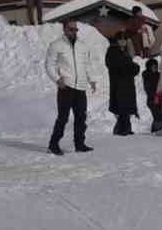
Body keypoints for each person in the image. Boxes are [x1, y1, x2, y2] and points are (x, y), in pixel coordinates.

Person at [45, 19, 98, 155]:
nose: (74, 32)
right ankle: (53, 144)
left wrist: (92, 80)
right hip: (66, 87)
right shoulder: (56, 45)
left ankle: (79, 144)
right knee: (63, 118)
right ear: (64, 29)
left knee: (81, 117)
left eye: (76, 29)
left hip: (80, 87)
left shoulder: (83, 46)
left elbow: (87, 65)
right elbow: (49, 65)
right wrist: (57, 80)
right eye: (71, 29)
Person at [105, 32, 141, 136]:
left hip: (128, 84)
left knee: (127, 106)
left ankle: (127, 128)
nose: (123, 41)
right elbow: (115, 65)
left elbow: (133, 68)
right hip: (118, 84)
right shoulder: (112, 51)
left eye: (124, 39)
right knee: (122, 106)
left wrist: (132, 67)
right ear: (117, 40)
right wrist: (129, 67)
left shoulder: (125, 52)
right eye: (120, 39)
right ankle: (121, 129)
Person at [143, 57, 162, 133]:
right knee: (159, 117)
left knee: (159, 117)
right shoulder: (147, 76)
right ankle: (156, 132)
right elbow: (148, 89)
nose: (154, 68)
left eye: (156, 66)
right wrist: (155, 97)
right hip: (152, 100)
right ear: (149, 67)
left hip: (160, 100)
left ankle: (155, 131)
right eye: (153, 66)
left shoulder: (158, 75)